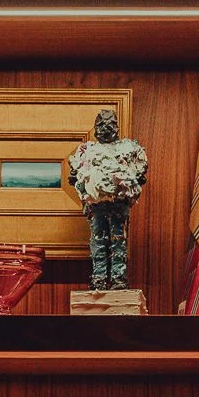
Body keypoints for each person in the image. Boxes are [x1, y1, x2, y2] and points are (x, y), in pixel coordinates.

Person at [67, 106, 148, 290]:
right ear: (96, 128)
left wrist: (130, 181)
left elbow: (141, 172)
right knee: (98, 239)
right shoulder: (87, 150)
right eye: (102, 124)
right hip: (97, 207)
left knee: (118, 239)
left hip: (119, 204)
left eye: (110, 124)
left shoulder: (128, 148)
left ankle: (119, 278)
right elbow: (74, 176)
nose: (106, 128)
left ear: (117, 127)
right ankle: (99, 278)